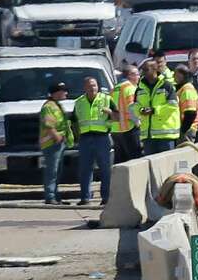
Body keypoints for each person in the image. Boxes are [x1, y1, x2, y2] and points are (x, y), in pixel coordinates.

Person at [72, 76, 117, 206]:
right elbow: (74, 122)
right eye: (89, 86)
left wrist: (109, 112)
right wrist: (75, 137)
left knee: (105, 169)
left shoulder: (106, 99)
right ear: (84, 88)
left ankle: (106, 198)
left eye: (94, 85)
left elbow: (118, 117)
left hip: (102, 138)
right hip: (85, 139)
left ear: (98, 87)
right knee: (85, 169)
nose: (92, 88)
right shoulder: (79, 102)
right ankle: (85, 198)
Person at [39, 82, 74, 205]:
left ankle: (56, 196)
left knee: (57, 171)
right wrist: (57, 136)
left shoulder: (57, 105)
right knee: (52, 171)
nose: (66, 93)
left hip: (58, 143)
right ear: (56, 92)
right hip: (51, 143)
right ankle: (50, 196)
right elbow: (49, 125)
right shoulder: (49, 106)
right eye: (63, 90)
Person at [136, 59, 180, 155]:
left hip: (165, 135)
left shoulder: (166, 86)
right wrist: (140, 110)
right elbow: (134, 105)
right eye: (142, 70)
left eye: (146, 69)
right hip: (148, 136)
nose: (142, 72)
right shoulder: (140, 87)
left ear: (154, 70)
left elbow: (173, 106)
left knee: (166, 166)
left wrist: (154, 110)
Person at [110, 64, 141, 163]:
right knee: (134, 160)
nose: (139, 77)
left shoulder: (115, 89)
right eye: (136, 74)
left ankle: (118, 179)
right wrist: (138, 124)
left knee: (120, 160)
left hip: (115, 130)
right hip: (129, 128)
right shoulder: (130, 88)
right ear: (130, 75)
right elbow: (132, 109)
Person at [171, 65, 198, 142]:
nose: (174, 76)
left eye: (176, 74)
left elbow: (190, 113)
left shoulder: (187, 89)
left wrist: (183, 131)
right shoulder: (181, 88)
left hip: (188, 130)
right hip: (182, 129)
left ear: (182, 75)